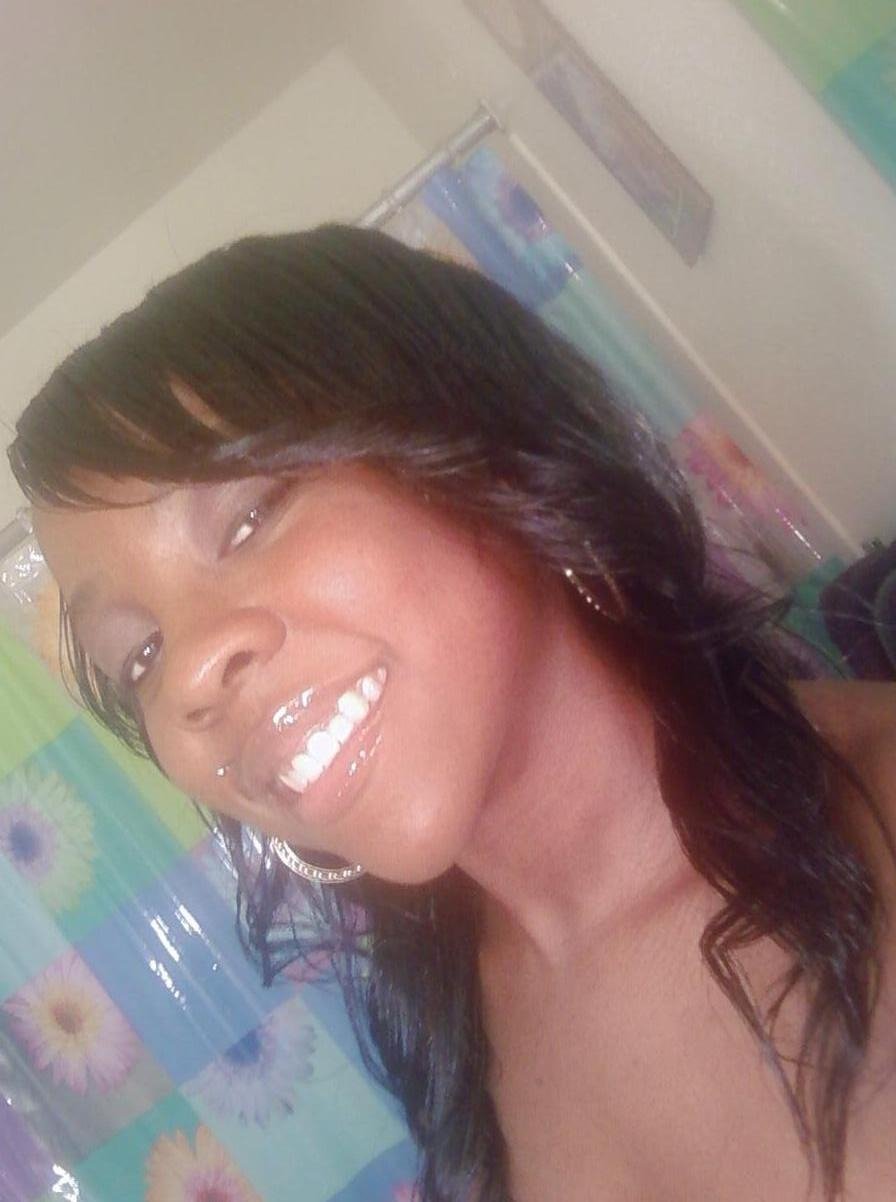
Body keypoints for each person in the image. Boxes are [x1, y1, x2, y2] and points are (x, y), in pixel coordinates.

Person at [8, 226, 895, 1202]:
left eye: (250, 517)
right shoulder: (451, 1038)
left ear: (488, 455)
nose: (186, 678)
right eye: (137, 656)